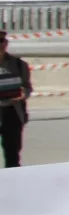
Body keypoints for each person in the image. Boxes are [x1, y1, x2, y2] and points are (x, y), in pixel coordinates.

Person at [0, 30, 32, 167]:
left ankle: (11, 186)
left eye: (1, 41)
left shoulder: (19, 64)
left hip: (12, 113)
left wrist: (24, 93)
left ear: (6, 43)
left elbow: (27, 86)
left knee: (12, 156)